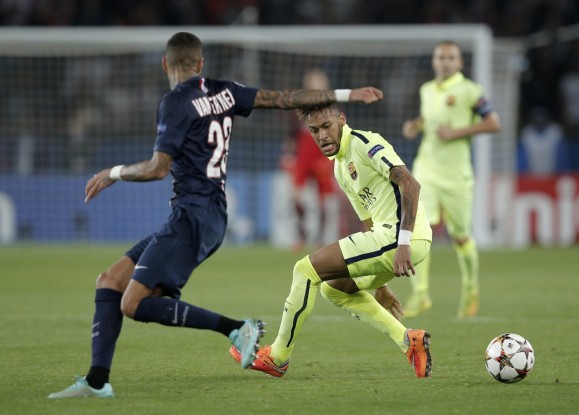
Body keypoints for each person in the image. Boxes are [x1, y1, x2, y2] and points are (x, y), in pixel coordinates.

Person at [48, 32, 383, 399]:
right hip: (202, 215)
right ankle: (97, 382)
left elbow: (158, 169)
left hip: (193, 215)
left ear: (165, 64)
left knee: (132, 303)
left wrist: (113, 173)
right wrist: (345, 95)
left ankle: (237, 328)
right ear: (201, 64)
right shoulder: (224, 90)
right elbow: (284, 99)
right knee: (109, 281)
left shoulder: (175, 102)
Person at [230, 103, 433, 378]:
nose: (322, 135)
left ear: (341, 120)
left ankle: (277, 357)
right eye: (314, 130)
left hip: (402, 237)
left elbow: (410, 184)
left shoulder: (365, 143)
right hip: (387, 238)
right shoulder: (340, 167)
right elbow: (369, 223)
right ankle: (408, 340)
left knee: (305, 270)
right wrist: (381, 284)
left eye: (326, 127)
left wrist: (404, 243)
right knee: (334, 289)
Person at [402, 40, 501, 318]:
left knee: (461, 237)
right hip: (426, 171)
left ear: (460, 63)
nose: (445, 62)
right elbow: (428, 118)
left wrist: (457, 133)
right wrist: (414, 125)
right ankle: (420, 294)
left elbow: (494, 122)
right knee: (419, 231)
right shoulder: (427, 90)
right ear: (434, 61)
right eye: (441, 57)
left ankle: (471, 290)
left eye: (451, 57)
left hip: (457, 176)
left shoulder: (470, 91)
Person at [279, 68, 337, 249]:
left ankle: (319, 237)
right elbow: (292, 132)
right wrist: (288, 152)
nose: (317, 85)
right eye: (314, 82)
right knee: (295, 196)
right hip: (304, 153)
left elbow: (339, 134)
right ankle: (301, 233)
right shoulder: (299, 105)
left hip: (322, 153)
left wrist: (334, 156)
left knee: (323, 200)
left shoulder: (332, 107)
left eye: (320, 82)